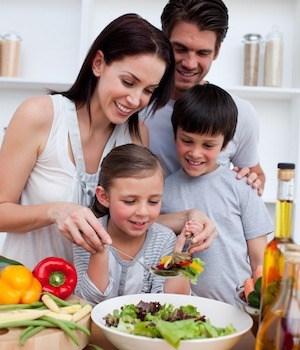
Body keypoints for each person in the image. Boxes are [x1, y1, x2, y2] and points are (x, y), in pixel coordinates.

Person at [0, 14, 176, 269]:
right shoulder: (40, 115)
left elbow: (134, 220)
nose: (136, 99)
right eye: (128, 82)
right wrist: (55, 211)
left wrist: (189, 218)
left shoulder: (137, 135)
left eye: (148, 90)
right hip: (25, 293)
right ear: (98, 64)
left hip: (95, 298)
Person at [161, 84, 274, 306]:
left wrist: (260, 300)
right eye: (187, 140)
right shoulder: (162, 190)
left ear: (225, 144)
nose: (195, 153)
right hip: (181, 310)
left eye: (208, 145)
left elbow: (259, 259)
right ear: (174, 136)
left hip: (237, 309)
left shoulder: (243, 186)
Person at [141, 0, 265, 196]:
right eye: (180, 49)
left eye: (202, 53)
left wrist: (251, 181)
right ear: (163, 40)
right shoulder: (136, 104)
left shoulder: (240, 112)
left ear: (216, 51)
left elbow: (256, 175)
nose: (190, 63)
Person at [74, 144, 191, 305]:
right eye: (130, 201)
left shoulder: (164, 240)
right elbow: (87, 302)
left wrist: (179, 259)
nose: (143, 212)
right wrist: (99, 253)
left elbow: (173, 303)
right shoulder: (87, 236)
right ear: (104, 197)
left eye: (153, 201)